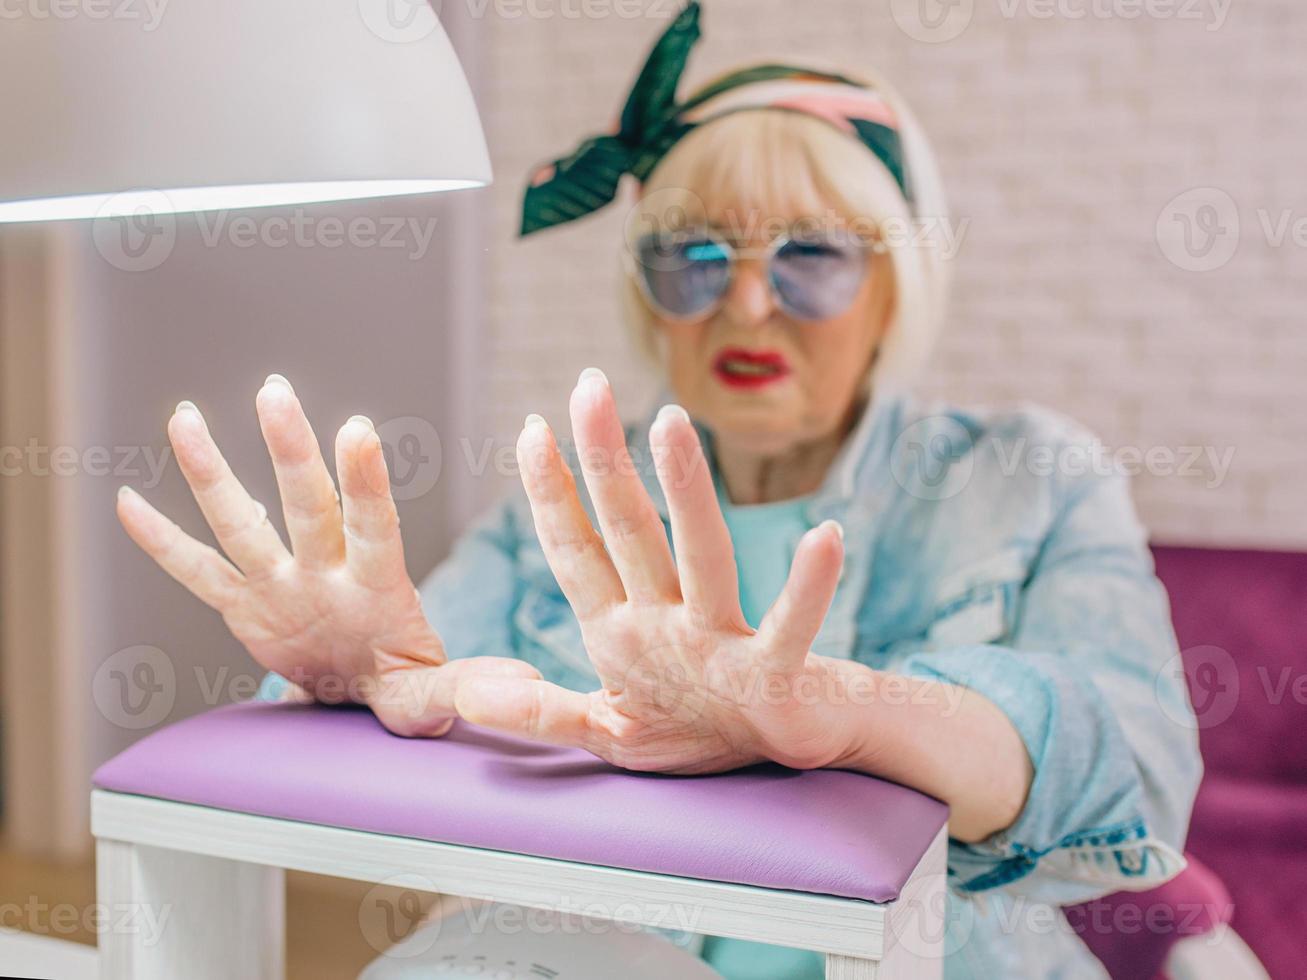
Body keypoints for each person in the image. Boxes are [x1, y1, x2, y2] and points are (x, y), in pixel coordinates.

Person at [115, 3, 1201, 976]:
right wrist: (347, 693)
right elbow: (422, 686)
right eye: (689, 254)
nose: (744, 304)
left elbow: (1138, 765)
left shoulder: (1022, 477)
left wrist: (851, 713)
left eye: (809, 254)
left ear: (895, 282)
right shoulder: (569, 499)